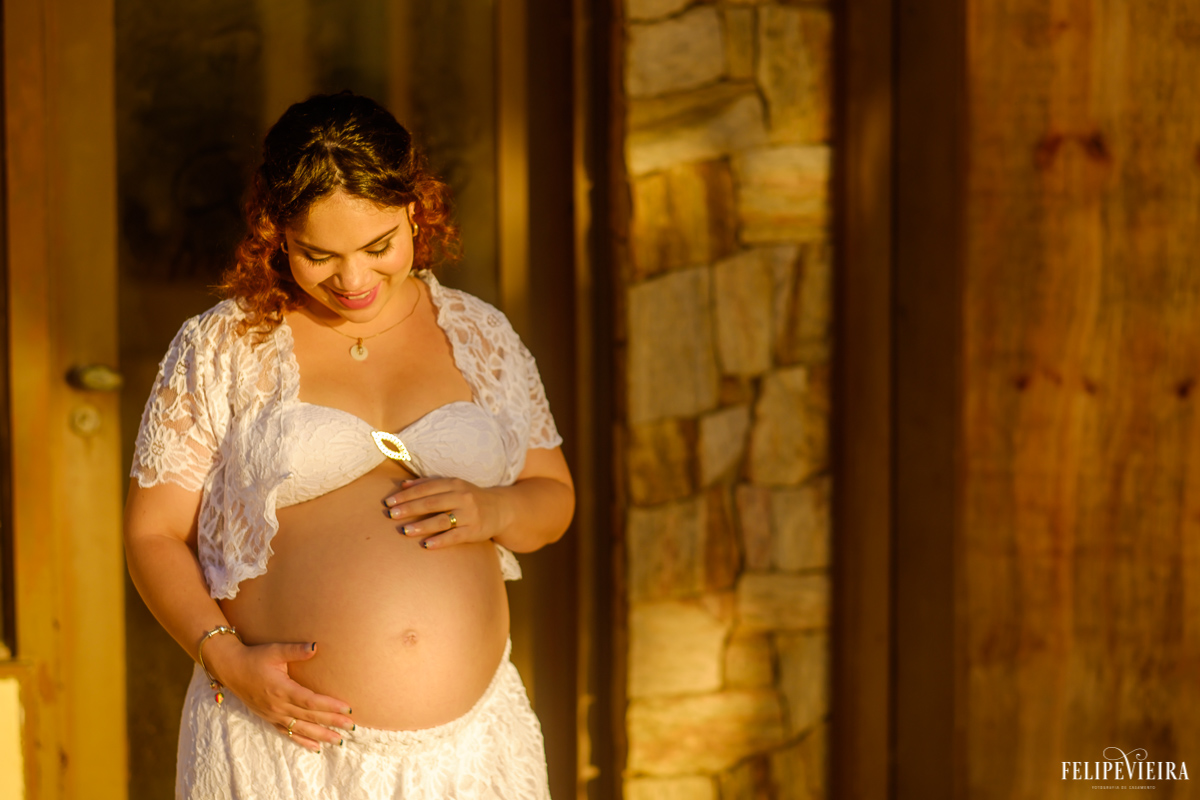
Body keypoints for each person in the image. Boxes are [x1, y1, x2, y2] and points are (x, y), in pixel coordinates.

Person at [123, 91, 574, 799]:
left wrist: (492, 512)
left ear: (415, 209)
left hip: (473, 755)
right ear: (276, 232)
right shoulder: (223, 346)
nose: (354, 280)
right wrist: (226, 661)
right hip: (285, 750)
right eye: (319, 255)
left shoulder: (479, 334)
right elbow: (152, 535)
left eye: (378, 246)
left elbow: (553, 498)